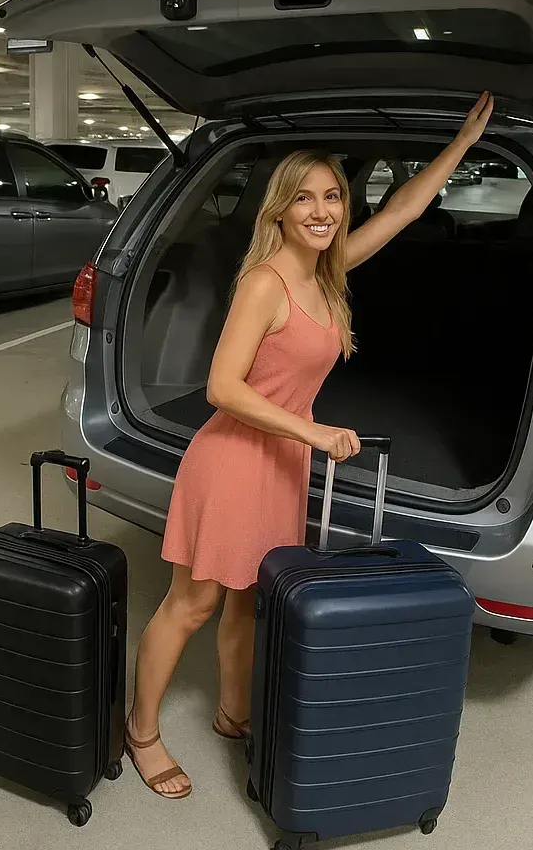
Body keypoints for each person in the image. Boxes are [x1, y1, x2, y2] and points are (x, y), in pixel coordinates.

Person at [123, 93, 495, 799]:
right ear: (280, 212)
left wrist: (459, 144)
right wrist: (314, 432)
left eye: (332, 196)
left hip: (281, 466)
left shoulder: (328, 273)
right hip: (234, 461)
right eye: (304, 199)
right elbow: (221, 388)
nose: (321, 210)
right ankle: (140, 733)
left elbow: (404, 210)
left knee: (245, 604)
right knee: (193, 605)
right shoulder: (265, 283)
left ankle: (234, 714)